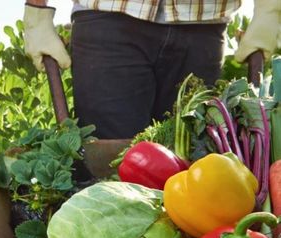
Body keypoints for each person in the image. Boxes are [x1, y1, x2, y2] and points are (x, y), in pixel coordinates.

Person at [23, 0, 280, 140]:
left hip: (203, 24)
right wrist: (37, 12)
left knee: (191, 158)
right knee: (108, 164)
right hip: (108, 19)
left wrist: (270, 7)